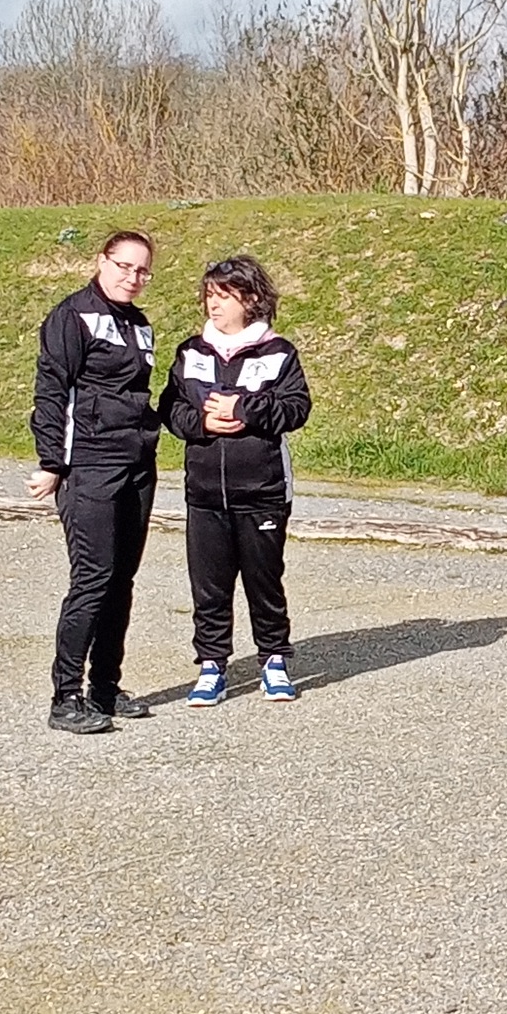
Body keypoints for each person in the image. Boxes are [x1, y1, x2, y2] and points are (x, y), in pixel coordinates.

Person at [158, 254, 312, 706]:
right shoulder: (190, 352)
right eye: (209, 295)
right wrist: (203, 424)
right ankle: (211, 666)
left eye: (224, 296)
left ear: (250, 298)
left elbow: (296, 409)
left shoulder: (278, 352)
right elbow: (170, 408)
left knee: (265, 581)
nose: (213, 304)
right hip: (204, 493)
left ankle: (274, 662)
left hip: (261, 492)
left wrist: (243, 411)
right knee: (208, 584)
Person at [29, 231, 162, 735]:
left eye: (143, 270)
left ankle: (105, 687)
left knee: (121, 581)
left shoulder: (139, 323)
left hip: (136, 463)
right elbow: (52, 392)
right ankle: (65, 696)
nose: (133, 277)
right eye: (124, 266)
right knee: (92, 579)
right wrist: (52, 463)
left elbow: (138, 394)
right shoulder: (73, 316)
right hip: (90, 463)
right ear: (102, 262)